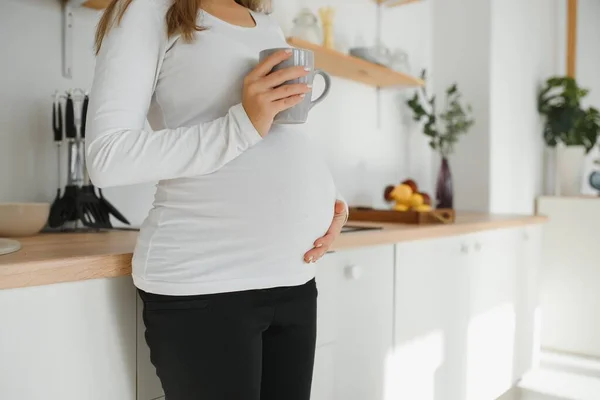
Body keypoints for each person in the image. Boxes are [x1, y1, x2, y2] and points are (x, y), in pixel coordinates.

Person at [86, 0, 347, 399]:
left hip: (294, 281)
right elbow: (107, 158)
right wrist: (243, 122)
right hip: (206, 284)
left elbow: (277, 133)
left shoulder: (263, 22)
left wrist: (328, 198)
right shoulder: (148, 9)